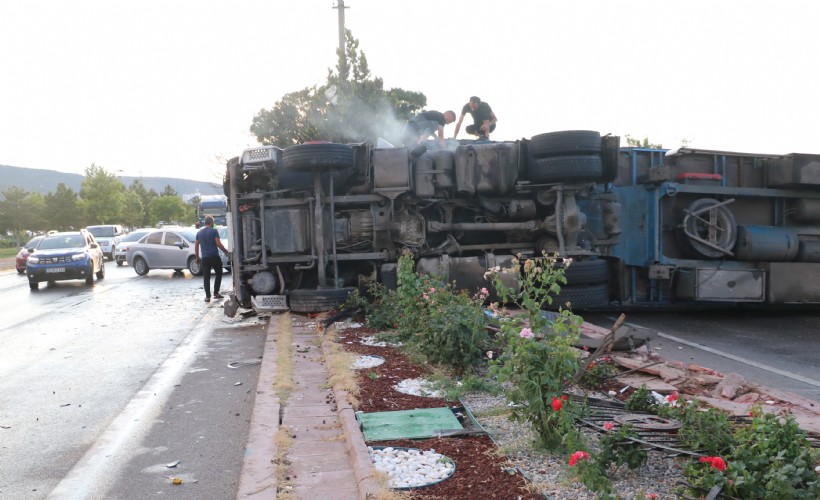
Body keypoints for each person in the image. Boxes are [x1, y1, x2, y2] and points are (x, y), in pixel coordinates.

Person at [195, 215, 230, 303]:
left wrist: (197, 257)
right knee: (219, 273)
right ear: (212, 223)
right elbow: (218, 244)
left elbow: (196, 245)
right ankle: (216, 292)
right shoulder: (214, 231)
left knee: (206, 277)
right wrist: (225, 251)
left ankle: (207, 297)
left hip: (205, 258)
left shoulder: (199, 233)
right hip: (214, 257)